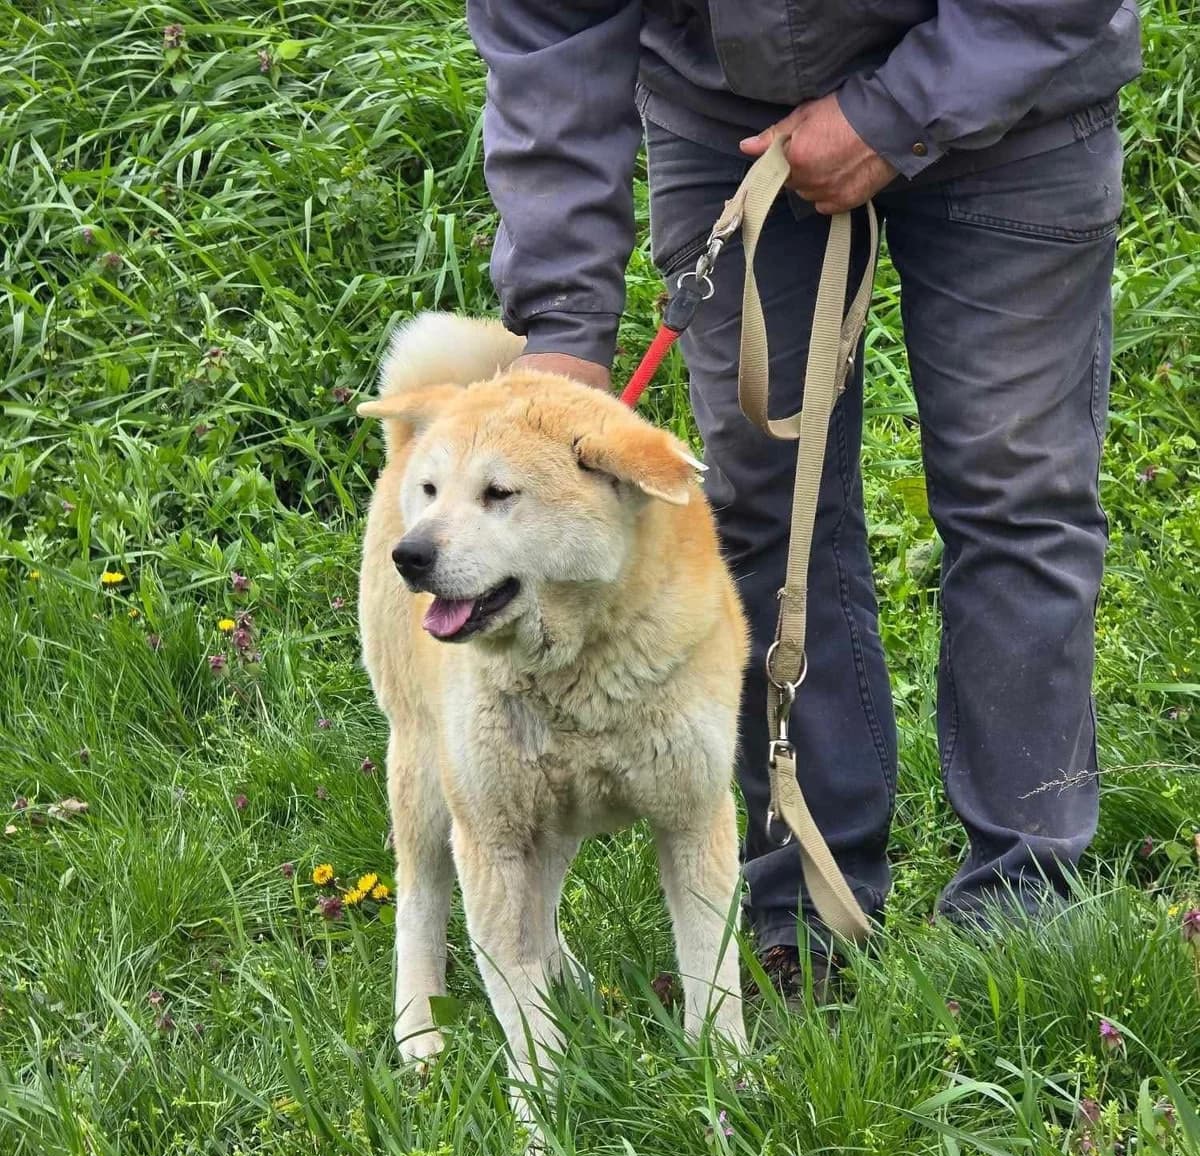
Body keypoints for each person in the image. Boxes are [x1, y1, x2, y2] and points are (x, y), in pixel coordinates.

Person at [465, 1, 1140, 990]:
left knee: (1016, 494)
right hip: (735, 123)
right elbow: (548, 29)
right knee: (762, 512)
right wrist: (565, 329)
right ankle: (809, 915)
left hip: (1020, 88)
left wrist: (894, 112)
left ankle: (1022, 916)